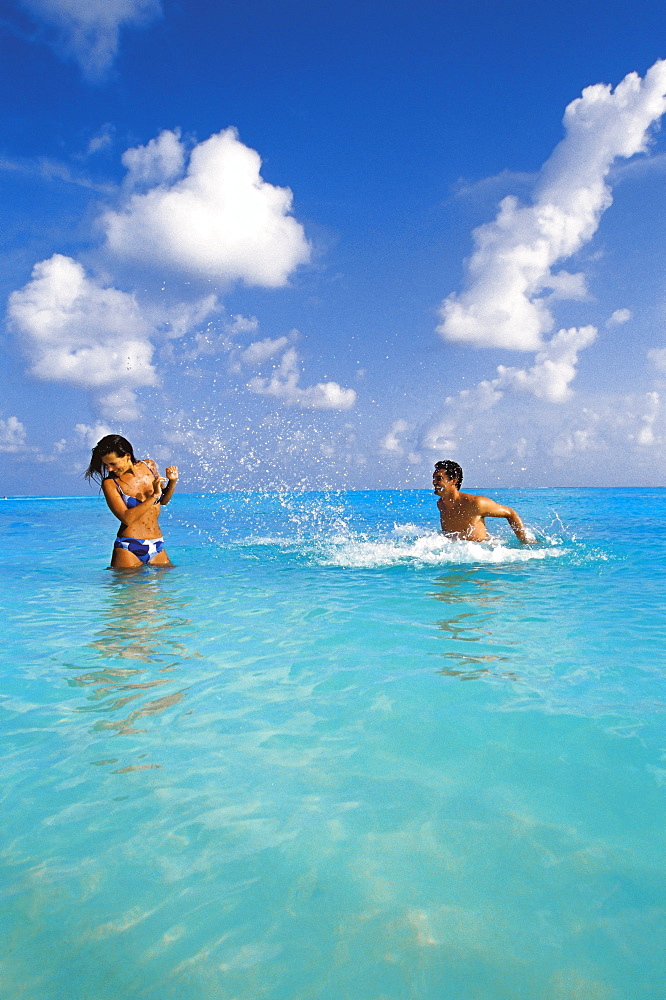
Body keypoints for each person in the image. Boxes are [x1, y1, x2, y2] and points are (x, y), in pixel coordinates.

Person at [85, 434, 179, 567]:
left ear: (127, 456)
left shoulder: (149, 466)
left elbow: (163, 501)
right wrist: (154, 496)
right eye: (106, 465)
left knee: (171, 586)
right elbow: (126, 518)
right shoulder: (111, 483)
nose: (110, 469)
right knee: (127, 588)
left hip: (157, 543)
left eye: (112, 463)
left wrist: (172, 481)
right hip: (129, 546)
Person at [433, 460, 533, 543]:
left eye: (439, 479)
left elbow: (510, 513)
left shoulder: (476, 503)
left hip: (481, 556)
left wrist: (524, 540)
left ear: (453, 481)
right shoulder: (441, 504)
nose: (434, 482)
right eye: (434, 478)